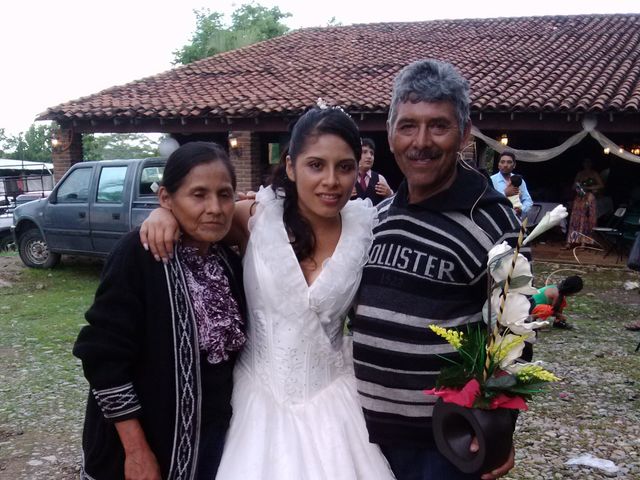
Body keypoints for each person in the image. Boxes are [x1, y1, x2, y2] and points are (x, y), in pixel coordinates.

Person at [140, 107, 395, 479]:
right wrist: (161, 216)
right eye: (316, 165)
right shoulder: (255, 217)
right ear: (291, 167)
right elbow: (199, 217)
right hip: (256, 400)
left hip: (334, 405)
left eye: (345, 166)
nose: (331, 180)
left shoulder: (366, 231)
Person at [352, 59, 522, 480]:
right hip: (360, 436)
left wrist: (499, 429)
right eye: (408, 126)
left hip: (442, 445)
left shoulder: (495, 222)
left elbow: (514, 334)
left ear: (464, 134)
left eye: (438, 126)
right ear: (390, 134)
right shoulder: (378, 215)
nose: (421, 142)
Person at [73, 142, 247, 480]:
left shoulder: (227, 261)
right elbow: (102, 358)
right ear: (166, 198)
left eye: (224, 194)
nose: (215, 207)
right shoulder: (139, 255)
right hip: (143, 448)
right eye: (198, 194)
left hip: (209, 444)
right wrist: (136, 451)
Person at [565, 158, 605, 248]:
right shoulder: (580, 173)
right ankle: (572, 240)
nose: (587, 164)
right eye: (585, 162)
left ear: (591, 164)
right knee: (576, 218)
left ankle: (585, 241)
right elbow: (574, 186)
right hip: (580, 197)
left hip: (589, 197)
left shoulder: (594, 173)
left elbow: (601, 185)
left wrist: (590, 187)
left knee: (586, 218)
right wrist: (578, 187)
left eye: (588, 162)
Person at [490, 151, 533, 217]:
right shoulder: (491, 180)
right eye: (502, 162)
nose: (505, 165)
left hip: (516, 220)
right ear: (498, 165)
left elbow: (528, 201)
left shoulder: (519, 180)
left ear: (514, 165)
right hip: (497, 219)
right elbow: (489, 201)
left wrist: (521, 209)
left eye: (509, 162)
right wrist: (505, 193)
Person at [352, 137, 394, 205]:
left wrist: (389, 194)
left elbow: (392, 203)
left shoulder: (380, 179)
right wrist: (345, 196)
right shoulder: (349, 178)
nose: (369, 156)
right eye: (364, 152)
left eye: (372, 153)